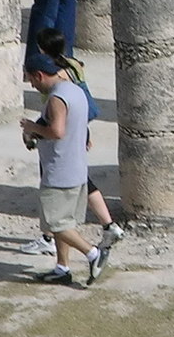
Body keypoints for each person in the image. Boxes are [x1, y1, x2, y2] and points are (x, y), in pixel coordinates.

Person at [19, 27, 124, 256]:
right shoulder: (73, 65)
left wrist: (33, 128)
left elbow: (57, 123)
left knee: (55, 186)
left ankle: (53, 238)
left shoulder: (52, 76)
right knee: (80, 180)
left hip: (62, 128)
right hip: (77, 124)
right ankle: (107, 226)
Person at [21, 51, 111, 285]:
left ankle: (93, 254)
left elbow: (57, 132)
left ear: (39, 75)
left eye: (31, 80)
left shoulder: (56, 99)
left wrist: (32, 128)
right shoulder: (75, 90)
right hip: (76, 167)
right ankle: (62, 268)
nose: (31, 84)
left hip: (59, 171)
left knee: (54, 224)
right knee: (65, 222)